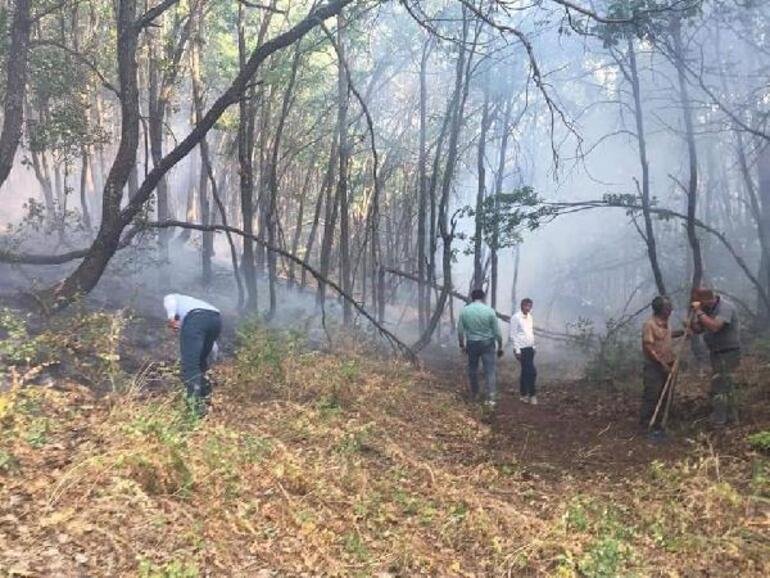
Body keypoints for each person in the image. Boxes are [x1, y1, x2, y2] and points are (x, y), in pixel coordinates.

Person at [164, 293, 222, 416]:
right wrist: (214, 354)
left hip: (196, 319)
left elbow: (170, 300)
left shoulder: (174, 297)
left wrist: (171, 318)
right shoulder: (195, 303)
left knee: (190, 365)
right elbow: (212, 344)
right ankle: (206, 402)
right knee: (201, 363)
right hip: (216, 320)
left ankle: (194, 410)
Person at [689, 288, 741, 426]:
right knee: (725, 385)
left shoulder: (725, 307)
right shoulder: (707, 308)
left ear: (706, 300)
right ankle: (731, 416)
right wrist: (692, 324)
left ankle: (719, 420)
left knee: (719, 385)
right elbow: (700, 328)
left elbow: (715, 326)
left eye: (700, 302)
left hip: (728, 352)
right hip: (716, 352)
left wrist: (699, 312)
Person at [641, 296, 684, 435]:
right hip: (654, 366)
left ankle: (662, 422)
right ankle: (647, 423)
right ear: (660, 309)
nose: (670, 310)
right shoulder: (650, 324)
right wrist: (662, 364)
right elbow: (648, 346)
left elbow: (669, 335)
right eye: (667, 308)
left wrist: (684, 332)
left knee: (667, 394)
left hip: (669, 363)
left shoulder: (666, 323)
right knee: (653, 394)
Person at [457, 289, 503, 407]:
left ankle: (475, 394)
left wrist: (462, 345)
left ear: (472, 297)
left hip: (472, 343)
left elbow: (460, 331)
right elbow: (497, 332)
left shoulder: (465, 311)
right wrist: (500, 346)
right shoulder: (490, 311)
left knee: (472, 369)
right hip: (488, 344)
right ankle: (491, 398)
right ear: (483, 298)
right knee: (490, 371)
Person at [510, 298, 538, 404]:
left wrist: (534, 346)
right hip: (521, 349)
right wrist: (517, 350)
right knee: (532, 372)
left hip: (530, 347)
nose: (528, 308)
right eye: (526, 306)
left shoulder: (530, 317)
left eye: (530, 306)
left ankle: (523, 394)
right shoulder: (516, 318)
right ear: (522, 306)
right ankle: (532, 394)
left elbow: (530, 332)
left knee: (525, 372)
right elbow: (513, 335)